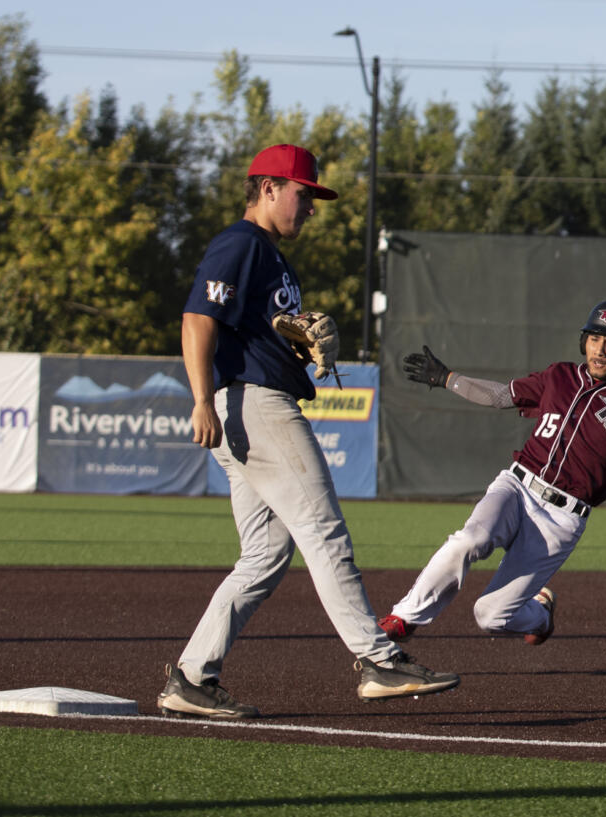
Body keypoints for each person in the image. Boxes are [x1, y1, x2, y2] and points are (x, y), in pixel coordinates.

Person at [157, 143, 458, 718]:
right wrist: (200, 399)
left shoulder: (269, 256)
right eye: (304, 193)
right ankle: (378, 661)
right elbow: (198, 317)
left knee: (264, 558)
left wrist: (296, 341)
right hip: (256, 406)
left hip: (253, 403)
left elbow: (258, 325)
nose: (312, 206)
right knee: (324, 530)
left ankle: (192, 677)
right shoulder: (240, 243)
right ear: (268, 188)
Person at [377, 301, 606, 647]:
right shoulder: (560, 376)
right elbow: (502, 396)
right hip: (517, 486)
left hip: (562, 517)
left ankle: (539, 616)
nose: (600, 350)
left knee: (489, 617)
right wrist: (448, 378)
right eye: (595, 339)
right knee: (469, 540)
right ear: (584, 341)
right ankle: (402, 619)